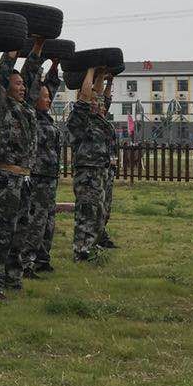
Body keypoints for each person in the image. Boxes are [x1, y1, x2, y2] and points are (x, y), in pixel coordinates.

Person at [0, 39, 44, 298]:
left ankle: (12, 279)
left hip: (25, 181)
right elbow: (1, 78)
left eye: (23, 85)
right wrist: (11, 49)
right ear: (6, 89)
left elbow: (31, 74)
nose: (23, 88)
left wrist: (38, 46)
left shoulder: (25, 110)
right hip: (6, 180)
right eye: (17, 84)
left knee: (19, 233)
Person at [19, 57, 63, 277]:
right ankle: (26, 263)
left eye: (49, 97)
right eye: (44, 97)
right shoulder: (30, 116)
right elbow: (36, 86)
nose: (48, 99)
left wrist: (55, 66)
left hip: (50, 178)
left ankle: (42, 259)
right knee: (35, 221)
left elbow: (49, 87)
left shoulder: (47, 118)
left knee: (48, 220)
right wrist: (38, 63)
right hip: (36, 177)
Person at [69, 68, 111, 261]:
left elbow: (99, 97)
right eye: (91, 100)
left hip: (100, 172)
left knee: (98, 214)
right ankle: (81, 251)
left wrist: (102, 75)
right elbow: (85, 99)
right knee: (86, 212)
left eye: (97, 101)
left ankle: (92, 249)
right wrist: (91, 70)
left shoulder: (98, 120)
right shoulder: (79, 120)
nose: (96, 102)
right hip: (86, 174)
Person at [98, 76, 120, 248]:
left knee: (106, 207)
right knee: (97, 207)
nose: (102, 107)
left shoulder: (105, 122)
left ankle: (102, 235)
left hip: (109, 170)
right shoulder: (89, 121)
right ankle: (94, 239)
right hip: (96, 170)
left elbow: (105, 100)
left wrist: (110, 82)